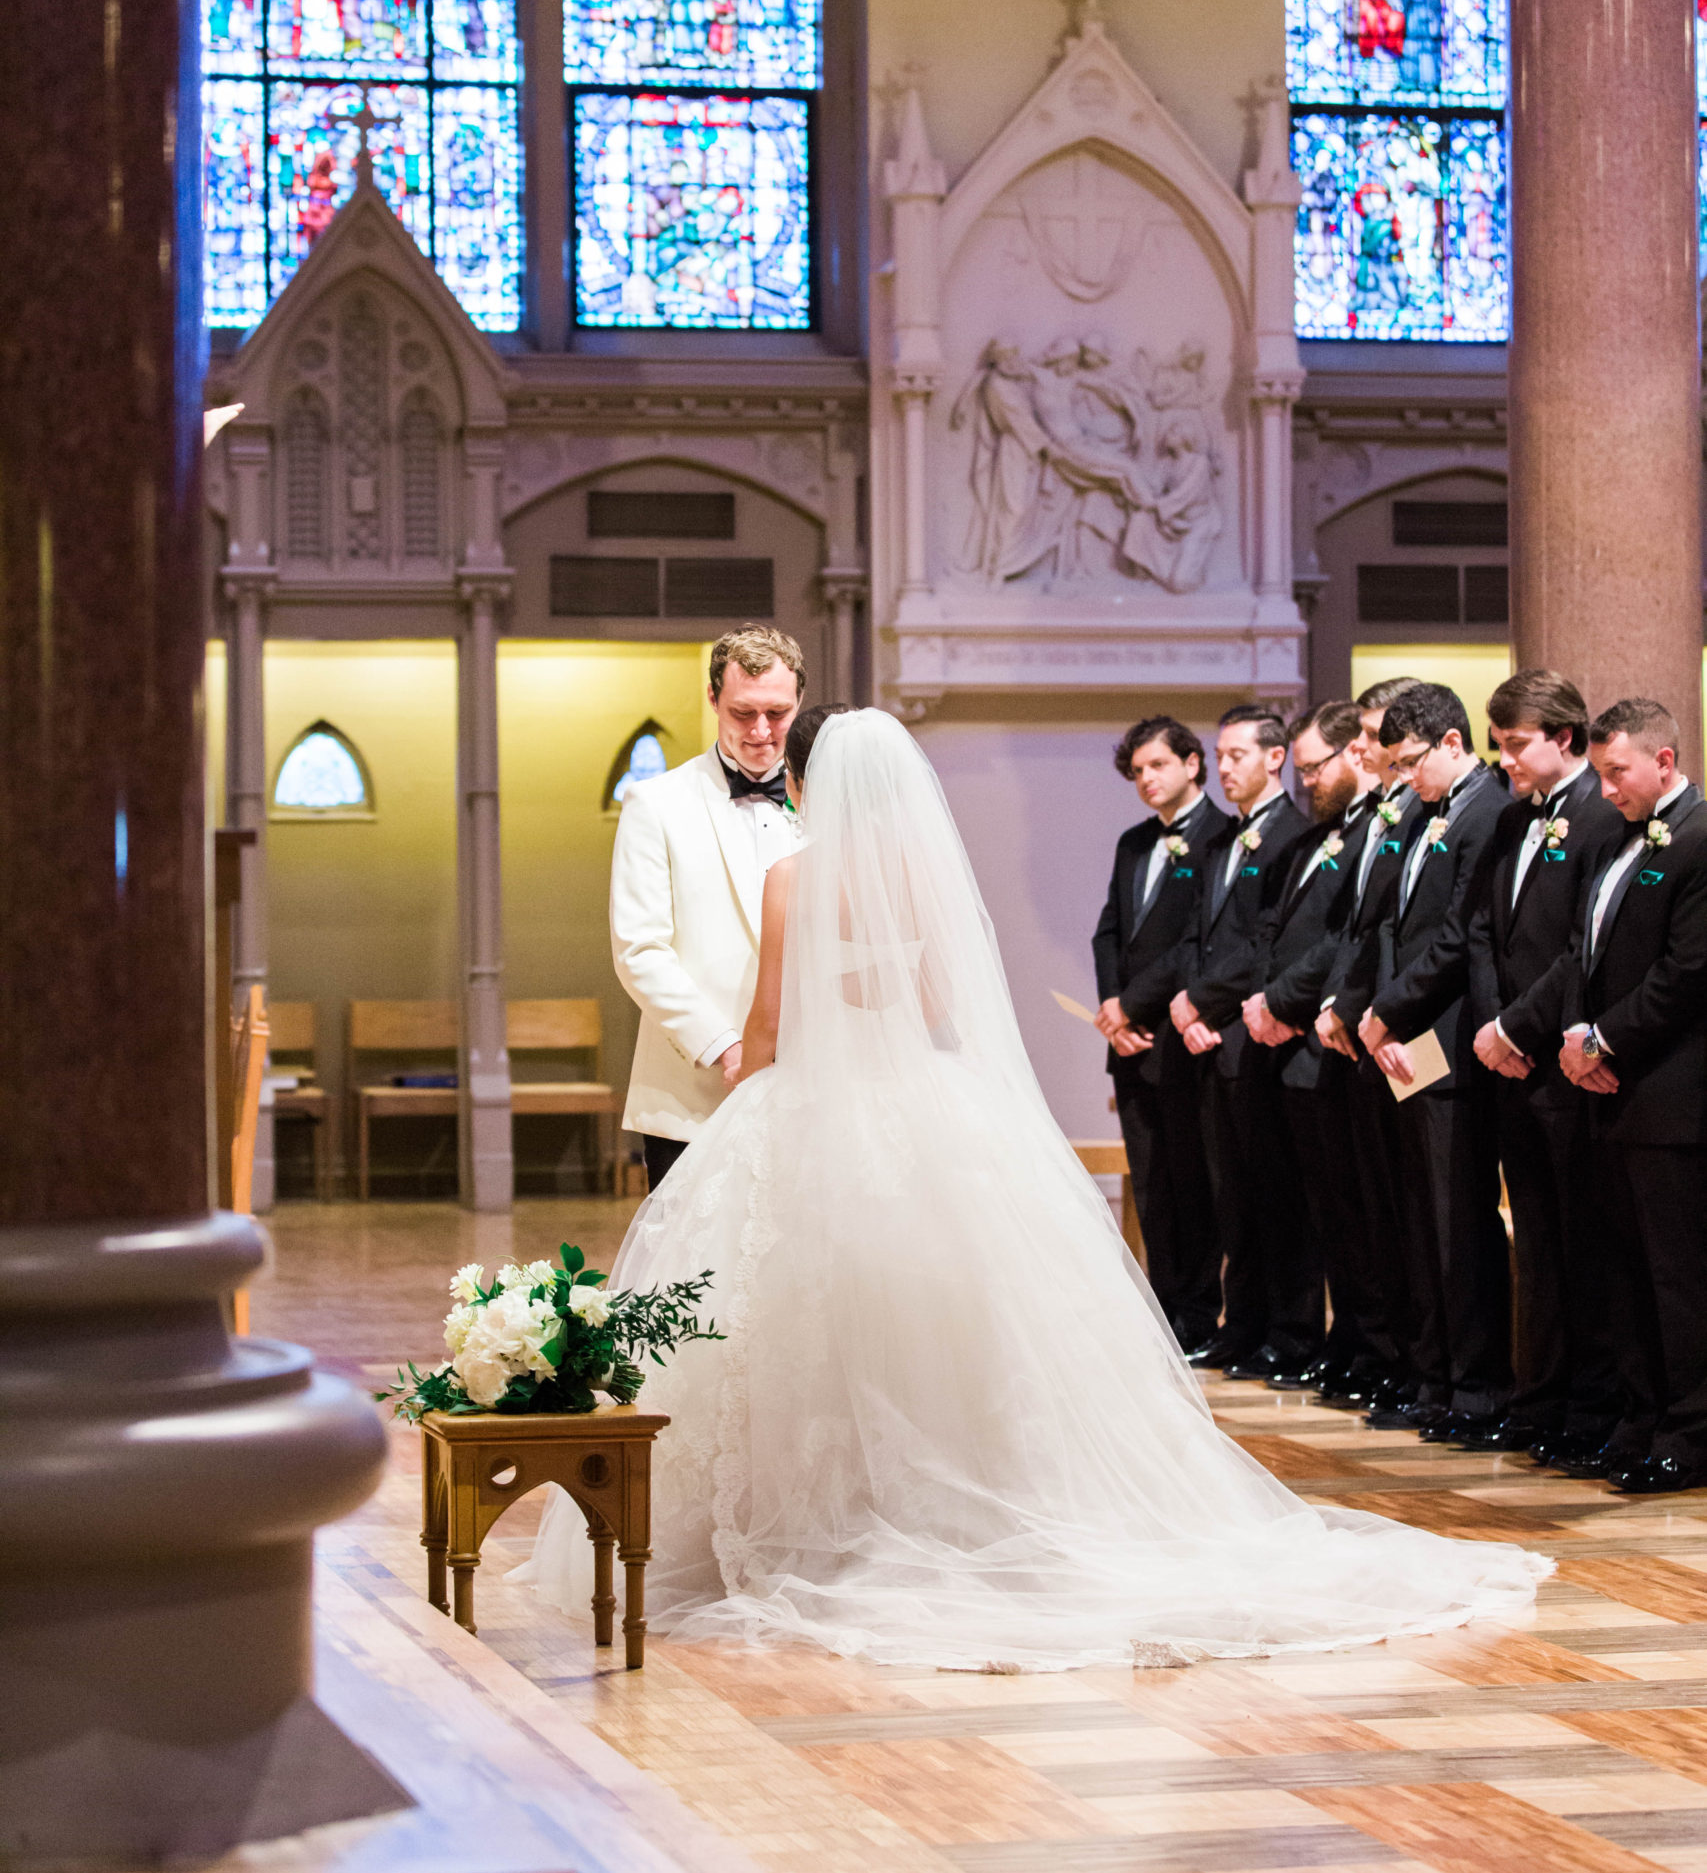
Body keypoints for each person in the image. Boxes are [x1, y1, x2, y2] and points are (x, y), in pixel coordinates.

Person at [517, 707, 1546, 1668]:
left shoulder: (792, 878)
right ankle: (954, 1504)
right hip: (916, 1101)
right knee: (948, 1319)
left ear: (807, 783)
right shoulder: (921, 878)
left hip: (808, 1106)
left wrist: (752, 1072)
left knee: (786, 1317)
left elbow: (773, 1026)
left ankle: (812, 1520)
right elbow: (932, 1006)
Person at [1512, 699, 1707, 1495]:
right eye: (1596, 773)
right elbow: (1577, 954)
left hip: (1670, 1097)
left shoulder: (1697, 839)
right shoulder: (1618, 841)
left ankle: (1690, 1433)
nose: (1605, 788)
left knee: (1676, 1277)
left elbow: (1687, 971)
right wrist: (1571, 1033)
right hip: (1608, 1092)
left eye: (1616, 771)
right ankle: (1638, 1418)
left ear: (1662, 762)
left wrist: (1603, 1039)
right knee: (1620, 1272)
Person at [1467, 671, 1625, 1462]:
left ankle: (1590, 1407)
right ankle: (1538, 1400)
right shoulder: (1507, 820)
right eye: (1498, 745)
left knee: (1578, 1241)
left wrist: (1519, 1024)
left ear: (1562, 738)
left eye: (1515, 744)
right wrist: (1494, 1025)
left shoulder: (1600, 819)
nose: (1506, 761)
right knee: (1531, 1235)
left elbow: (1581, 947)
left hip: (1562, 1060)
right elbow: (1484, 932)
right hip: (1510, 1061)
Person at [1355, 684, 1510, 1441]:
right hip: (1409, 1040)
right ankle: (1434, 1376)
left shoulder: (1488, 810)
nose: (1403, 777)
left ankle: (1476, 1386)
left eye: (1411, 761)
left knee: (1456, 1218)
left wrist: (1390, 1008)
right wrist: (1379, 1012)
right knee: (1418, 1213)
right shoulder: (1423, 813)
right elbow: (1391, 921)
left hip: (1446, 1033)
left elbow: (1456, 937)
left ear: (1452, 743)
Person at [608, 625, 804, 1193]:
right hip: (693, 1098)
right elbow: (639, 951)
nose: (762, 732)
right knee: (690, 1277)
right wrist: (728, 1046)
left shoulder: (829, 801)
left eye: (778, 712)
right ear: (714, 699)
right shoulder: (656, 802)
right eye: (744, 713)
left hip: (811, 1094)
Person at [1244, 700, 1382, 1403]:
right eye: (1298, 772)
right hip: (1294, 1045)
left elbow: (1345, 940)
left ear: (1352, 753)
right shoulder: (1319, 838)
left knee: (1355, 1212)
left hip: (1333, 1041)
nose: (1306, 784)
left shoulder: (1371, 834)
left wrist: (1282, 1003)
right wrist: (1263, 1001)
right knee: (1325, 1212)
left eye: (1313, 768)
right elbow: (1275, 933)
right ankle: (1347, 1343)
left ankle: (1367, 1346)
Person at [1169, 709, 1313, 1379]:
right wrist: (1188, 1010)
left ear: (1275, 758)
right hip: (1210, 1042)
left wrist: (1203, 1002)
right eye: (1219, 756)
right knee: (1232, 1196)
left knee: (1273, 1194)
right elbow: (1199, 939)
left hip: (1253, 1036)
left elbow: (1266, 944)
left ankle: (1289, 1330)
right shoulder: (1223, 838)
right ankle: (1242, 1323)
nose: (1223, 768)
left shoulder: (1295, 834)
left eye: (1236, 755)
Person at [1091, 717, 1232, 1355]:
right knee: (1149, 1182)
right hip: (1129, 1041)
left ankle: (1199, 1315)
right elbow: (1109, 933)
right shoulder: (1131, 842)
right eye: (1138, 771)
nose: (1146, 780)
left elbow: (1193, 943)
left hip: (1180, 1038)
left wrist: (1133, 1005)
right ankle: (1163, 1312)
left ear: (1192, 764)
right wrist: (1111, 1010)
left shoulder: (1222, 838)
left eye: (1157, 766)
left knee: (1192, 1181)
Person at [1320, 678, 1426, 1424]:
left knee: (1432, 1215)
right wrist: (1342, 1006)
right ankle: (1405, 1364)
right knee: (1388, 1214)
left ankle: (1436, 1370)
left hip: (1422, 1037)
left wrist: (1382, 1013)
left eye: (1372, 732)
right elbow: (1361, 930)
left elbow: (1445, 935)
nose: (1361, 747)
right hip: (1373, 1033)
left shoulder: (1438, 813)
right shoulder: (1386, 814)